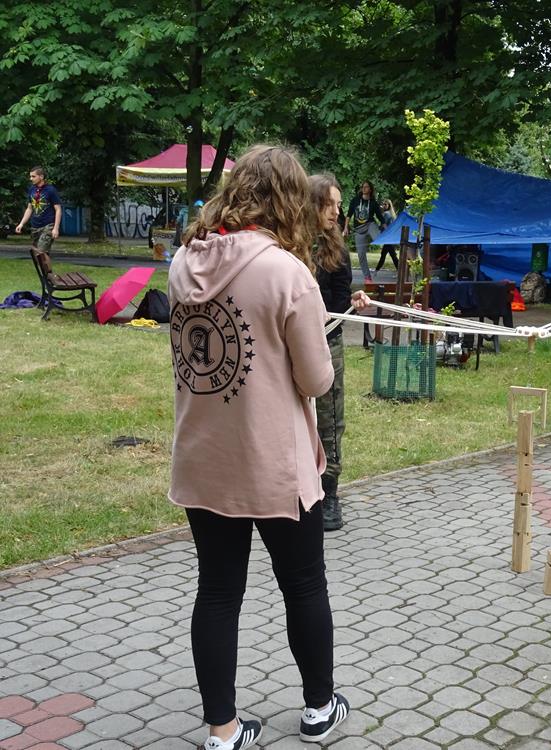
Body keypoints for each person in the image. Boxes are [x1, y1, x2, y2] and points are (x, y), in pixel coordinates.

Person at [170, 145, 357, 749]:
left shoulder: (183, 262)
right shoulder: (287, 273)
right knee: (304, 585)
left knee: (217, 592)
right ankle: (319, 707)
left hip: (205, 457)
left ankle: (222, 731)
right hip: (276, 463)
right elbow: (318, 380)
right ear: (288, 201)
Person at [309, 173, 371, 532]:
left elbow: (338, 299)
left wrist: (351, 302)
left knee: (330, 419)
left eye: (338, 204)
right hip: (291, 343)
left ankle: (329, 493)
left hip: (327, 341)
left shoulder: (337, 250)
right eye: (329, 204)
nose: (336, 211)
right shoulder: (290, 246)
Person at [14, 166, 62, 253]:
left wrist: (56, 228)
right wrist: (21, 224)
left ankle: (44, 261)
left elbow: (58, 209)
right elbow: (29, 208)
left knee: (41, 252)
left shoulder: (51, 190)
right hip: (35, 226)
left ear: (41, 176)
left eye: (33, 176)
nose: (31, 179)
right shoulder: (32, 189)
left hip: (48, 225)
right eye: (30, 176)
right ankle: (44, 262)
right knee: (37, 254)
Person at [346, 180, 386, 281]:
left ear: (370, 189)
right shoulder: (355, 200)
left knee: (379, 238)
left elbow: (380, 217)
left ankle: (384, 241)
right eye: (362, 187)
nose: (364, 188)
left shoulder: (373, 203)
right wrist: (346, 227)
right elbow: (349, 215)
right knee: (361, 255)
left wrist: (386, 228)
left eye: (366, 187)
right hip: (358, 230)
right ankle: (367, 277)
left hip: (369, 225)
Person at [373, 198, 399, 273]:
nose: (383, 205)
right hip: (391, 237)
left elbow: (382, 225)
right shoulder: (392, 214)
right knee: (385, 254)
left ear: (389, 205)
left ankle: (400, 271)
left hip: (388, 237)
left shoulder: (386, 214)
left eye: (385, 204)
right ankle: (376, 270)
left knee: (392, 256)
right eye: (383, 204)